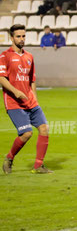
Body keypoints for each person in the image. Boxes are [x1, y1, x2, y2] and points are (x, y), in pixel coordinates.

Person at [1, 24, 52, 175]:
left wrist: (34, 97)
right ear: (11, 38)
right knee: (26, 134)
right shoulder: (5, 56)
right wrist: (16, 92)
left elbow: (32, 79)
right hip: (14, 102)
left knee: (44, 129)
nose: (22, 39)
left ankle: (38, 166)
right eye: (18, 36)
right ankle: (9, 158)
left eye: (23, 36)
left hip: (30, 101)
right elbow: (2, 78)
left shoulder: (29, 56)